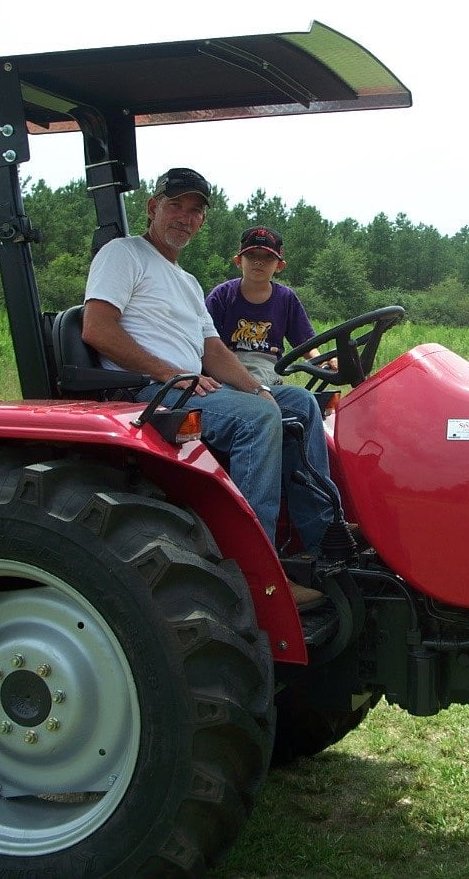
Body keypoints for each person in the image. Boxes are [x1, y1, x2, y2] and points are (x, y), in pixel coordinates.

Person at [81, 167, 334, 608]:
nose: (185, 216)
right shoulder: (124, 254)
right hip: (147, 390)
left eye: (195, 210)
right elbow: (98, 330)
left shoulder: (188, 281)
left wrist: (259, 389)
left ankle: (321, 536)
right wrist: (167, 373)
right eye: (175, 205)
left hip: (190, 385)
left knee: (297, 402)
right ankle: (259, 575)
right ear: (153, 206)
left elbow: (213, 351)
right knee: (259, 419)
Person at [205, 227, 331, 387]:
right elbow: (205, 342)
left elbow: (304, 344)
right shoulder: (222, 295)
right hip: (229, 362)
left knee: (306, 400)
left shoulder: (286, 298)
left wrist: (323, 361)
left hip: (268, 365)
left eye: (268, 257)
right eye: (251, 255)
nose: (259, 261)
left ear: (280, 266)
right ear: (238, 261)